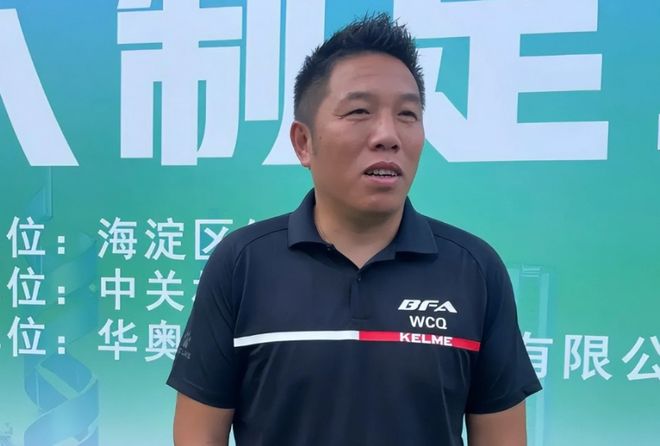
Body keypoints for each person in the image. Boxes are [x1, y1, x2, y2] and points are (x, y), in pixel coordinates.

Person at [167, 13, 541, 446]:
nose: (388, 135)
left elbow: (501, 436)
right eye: (360, 111)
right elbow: (198, 433)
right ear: (303, 142)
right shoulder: (242, 263)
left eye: (407, 114)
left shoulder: (474, 269)